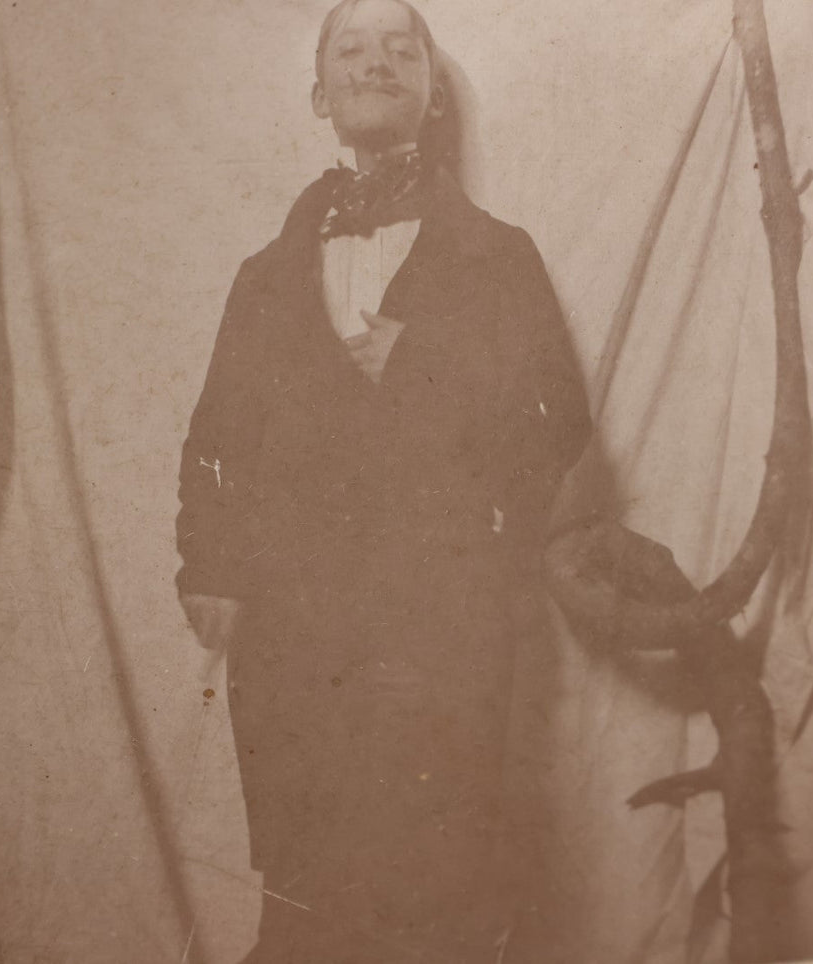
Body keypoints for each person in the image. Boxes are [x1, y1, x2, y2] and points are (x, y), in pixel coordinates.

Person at [174, 1, 591, 959]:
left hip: (440, 614)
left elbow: (557, 424)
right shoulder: (262, 275)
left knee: (433, 868)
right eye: (350, 51)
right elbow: (215, 435)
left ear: (432, 93)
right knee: (306, 873)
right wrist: (207, 564)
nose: (376, 65)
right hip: (292, 624)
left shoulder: (499, 256)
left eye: (402, 51)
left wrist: (432, 370)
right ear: (318, 93)